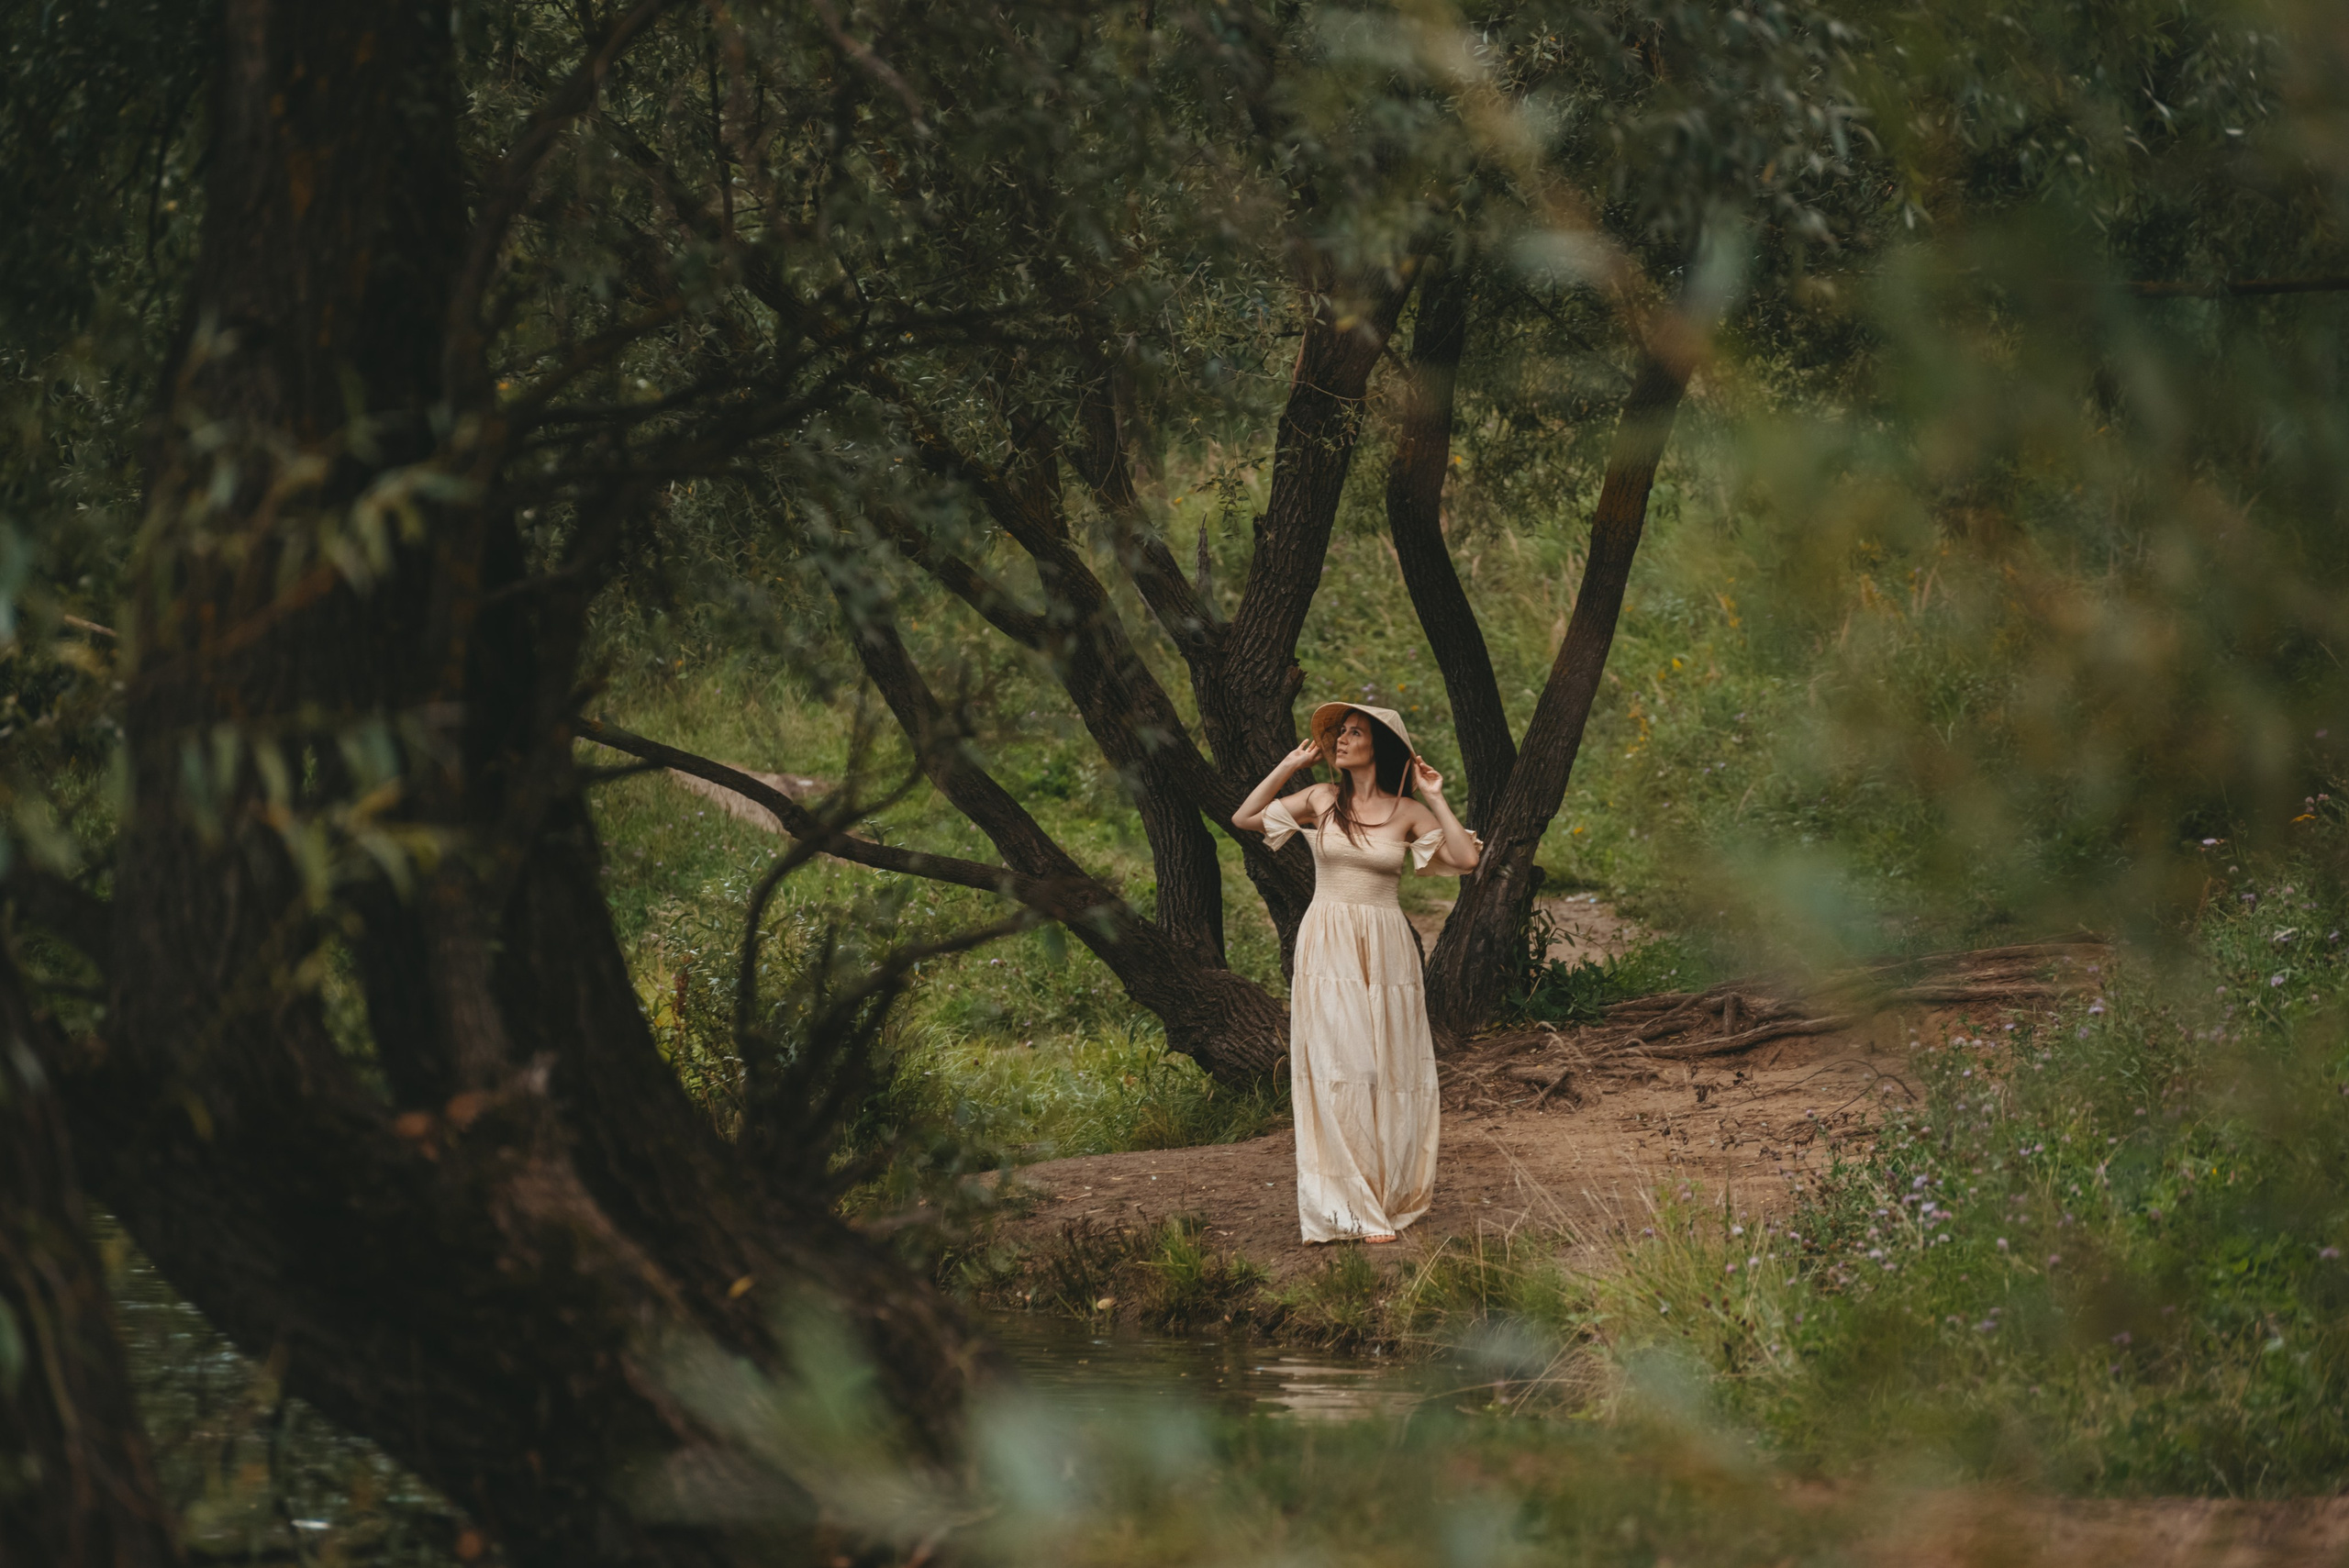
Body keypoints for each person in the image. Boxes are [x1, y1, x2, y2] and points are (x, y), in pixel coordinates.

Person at [1231, 704, 1481, 1243]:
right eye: (1339, 733)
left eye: (1353, 732)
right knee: (1342, 1067)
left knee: (1387, 1069)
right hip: (1327, 942)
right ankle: (1349, 1209)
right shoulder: (1321, 798)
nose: (1340, 740)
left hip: (1386, 947)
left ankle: (1386, 1192)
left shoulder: (1408, 810)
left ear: (1380, 746)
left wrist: (1435, 796)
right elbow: (1245, 818)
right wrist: (1286, 768)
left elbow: (1464, 860)